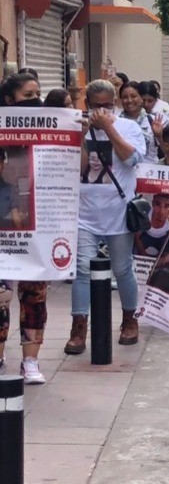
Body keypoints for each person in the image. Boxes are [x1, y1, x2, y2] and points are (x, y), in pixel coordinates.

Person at [66, 80, 147, 355]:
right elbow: (75, 169)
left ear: (115, 104)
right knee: (82, 270)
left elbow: (131, 159)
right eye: (96, 105)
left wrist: (109, 128)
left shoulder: (129, 127)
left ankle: (129, 320)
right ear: (87, 104)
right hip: (84, 212)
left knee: (123, 269)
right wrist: (81, 137)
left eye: (107, 105)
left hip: (118, 212)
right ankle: (79, 328)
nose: (101, 110)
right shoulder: (77, 126)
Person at [0, 74, 49, 384]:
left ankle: (30, 360)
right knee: (2, 293)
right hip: (4, 217)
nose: (36, 99)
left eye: (38, 94)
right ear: (9, 101)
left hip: (38, 218)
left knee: (34, 292)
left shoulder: (48, 129)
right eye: (28, 95)